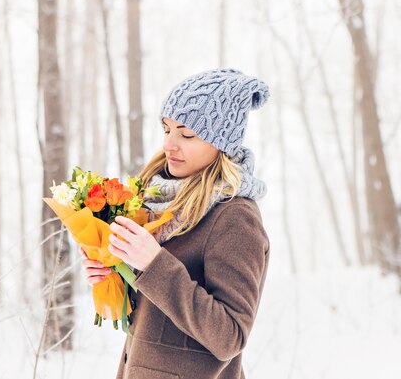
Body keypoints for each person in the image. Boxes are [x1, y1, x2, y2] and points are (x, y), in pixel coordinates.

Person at [81, 68, 271, 379]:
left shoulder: (234, 217)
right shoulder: (158, 201)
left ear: (220, 143)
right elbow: (163, 323)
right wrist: (115, 270)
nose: (170, 144)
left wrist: (153, 262)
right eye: (167, 129)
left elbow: (229, 336)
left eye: (186, 134)